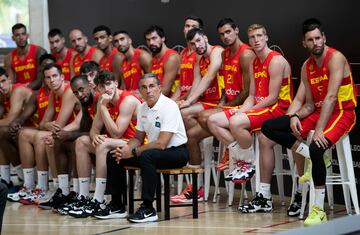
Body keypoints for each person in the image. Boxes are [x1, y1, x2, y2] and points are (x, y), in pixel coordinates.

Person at [260, 18, 356, 226]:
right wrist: (294, 116)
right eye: (310, 40)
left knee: (316, 148)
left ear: (324, 38)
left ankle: (318, 210)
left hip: (342, 112)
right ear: (304, 43)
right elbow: (311, 105)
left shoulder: (335, 58)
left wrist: (319, 130)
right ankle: (309, 153)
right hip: (320, 112)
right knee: (269, 126)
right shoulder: (306, 67)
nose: (316, 43)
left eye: (318, 38)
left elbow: (331, 97)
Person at [104, 73, 188, 222]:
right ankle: (117, 205)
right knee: (113, 155)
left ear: (159, 88)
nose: (148, 90)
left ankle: (148, 208)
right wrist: (126, 150)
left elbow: (161, 143)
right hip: (155, 152)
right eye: (144, 87)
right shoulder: (143, 107)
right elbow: (138, 138)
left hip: (177, 153)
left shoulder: (169, 106)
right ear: (140, 91)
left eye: (152, 86)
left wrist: (134, 151)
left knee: (147, 156)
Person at [218, 23, 292, 187]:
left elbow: (272, 98)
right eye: (252, 37)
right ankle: (242, 158)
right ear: (249, 42)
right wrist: (242, 111)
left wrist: (246, 113)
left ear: (266, 37)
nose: (256, 40)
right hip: (260, 107)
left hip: (278, 109)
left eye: (259, 36)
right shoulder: (254, 62)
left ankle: (247, 163)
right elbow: (251, 95)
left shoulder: (275, 60)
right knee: (215, 120)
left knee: (235, 122)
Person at [67, 70, 141, 218]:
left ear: (116, 83)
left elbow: (117, 132)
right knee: (81, 142)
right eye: (101, 86)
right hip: (117, 142)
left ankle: (99, 199)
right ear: (98, 88)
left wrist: (102, 108)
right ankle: (83, 196)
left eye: (108, 84)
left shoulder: (128, 101)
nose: (106, 89)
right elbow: (94, 130)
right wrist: (94, 137)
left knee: (103, 144)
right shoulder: (103, 100)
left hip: (135, 143)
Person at [14, 63, 79, 205]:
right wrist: (48, 124)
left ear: (62, 77)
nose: (52, 80)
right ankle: (31, 185)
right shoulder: (53, 93)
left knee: (44, 138)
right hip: (64, 132)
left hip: (76, 132)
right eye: (48, 78)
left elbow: (58, 126)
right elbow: (43, 123)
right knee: (24, 134)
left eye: (55, 76)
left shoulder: (68, 91)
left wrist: (49, 125)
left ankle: (54, 188)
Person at [0, 67, 33, 190]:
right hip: (21, 129)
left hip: (36, 127)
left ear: (9, 79)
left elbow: (9, 121)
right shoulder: (3, 95)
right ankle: (5, 180)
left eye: (3, 81)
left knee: (2, 131)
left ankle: (22, 178)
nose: (1, 86)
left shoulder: (17, 91)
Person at [4, 23, 47, 90]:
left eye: (23, 34)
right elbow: (11, 82)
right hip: (19, 92)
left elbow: (40, 80)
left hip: (37, 90)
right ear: (13, 38)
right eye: (17, 35)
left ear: (27, 36)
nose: (21, 38)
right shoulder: (8, 58)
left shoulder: (39, 51)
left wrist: (24, 87)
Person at [171, 16, 204, 102]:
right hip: (183, 98)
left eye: (193, 27)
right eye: (187, 26)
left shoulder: (200, 53)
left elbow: (198, 85)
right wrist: (172, 101)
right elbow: (180, 85)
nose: (189, 29)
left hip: (196, 99)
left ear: (199, 31)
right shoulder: (183, 53)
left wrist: (179, 100)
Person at [144, 25, 180, 96]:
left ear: (163, 38)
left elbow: (165, 91)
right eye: (148, 40)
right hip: (157, 99)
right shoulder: (153, 60)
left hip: (172, 101)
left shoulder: (171, 57)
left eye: (154, 38)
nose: (151, 43)